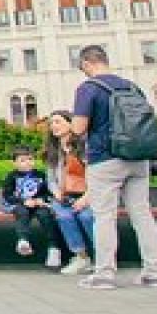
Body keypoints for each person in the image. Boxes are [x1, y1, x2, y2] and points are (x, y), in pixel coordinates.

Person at [69, 44, 157, 289]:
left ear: (87, 63)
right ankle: (153, 271)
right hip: (138, 157)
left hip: (105, 158)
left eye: (83, 67)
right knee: (142, 213)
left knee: (104, 216)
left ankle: (104, 274)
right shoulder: (132, 86)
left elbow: (79, 127)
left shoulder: (88, 88)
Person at [43, 110, 93, 276]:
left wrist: (87, 198)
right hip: (64, 197)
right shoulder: (53, 150)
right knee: (64, 216)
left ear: (70, 123)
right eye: (51, 123)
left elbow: (97, 175)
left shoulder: (84, 146)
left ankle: (103, 257)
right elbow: (50, 179)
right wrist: (56, 192)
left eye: (58, 122)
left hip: (88, 195)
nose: (53, 126)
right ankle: (81, 257)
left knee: (86, 217)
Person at [1, 148, 54, 260]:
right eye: (23, 160)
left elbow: (47, 193)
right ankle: (23, 240)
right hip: (17, 204)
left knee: (45, 214)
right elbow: (7, 195)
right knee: (22, 212)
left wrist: (41, 200)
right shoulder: (11, 176)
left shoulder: (40, 175)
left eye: (30, 159)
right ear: (14, 163)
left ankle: (53, 246)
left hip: (36, 204)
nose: (28, 162)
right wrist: (23, 201)